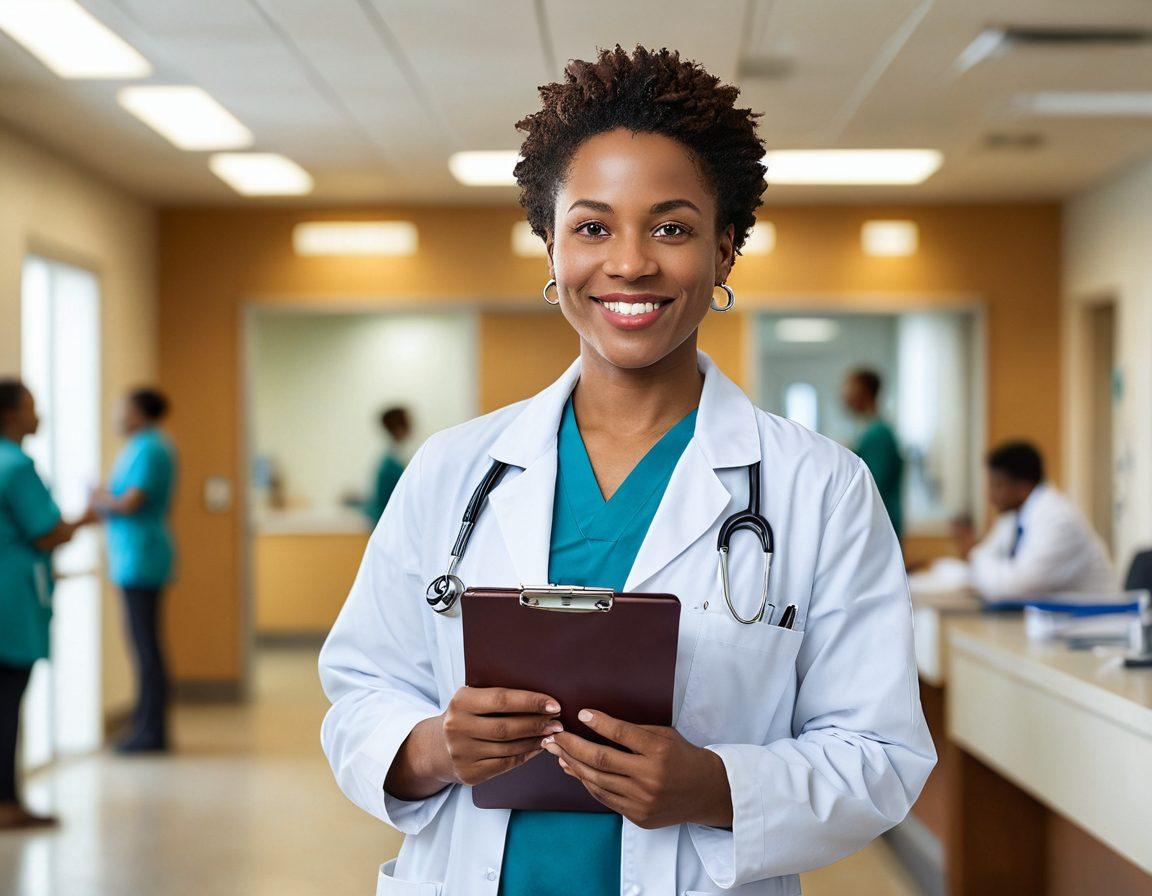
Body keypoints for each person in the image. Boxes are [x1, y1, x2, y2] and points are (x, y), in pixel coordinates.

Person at [319, 45, 935, 896]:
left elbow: (880, 756)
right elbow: (361, 690)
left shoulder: (820, 489)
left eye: (672, 227)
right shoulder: (453, 471)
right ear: (550, 246)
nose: (631, 262)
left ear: (725, 250)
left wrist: (716, 787)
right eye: (593, 225)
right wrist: (429, 748)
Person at [0, 379, 95, 828]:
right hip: (11, 600)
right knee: (7, 701)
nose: (39, 415)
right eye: (31, 407)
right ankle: (7, 803)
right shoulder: (16, 466)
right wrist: (86, 518)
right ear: (10, 414)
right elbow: (46, 531)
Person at [92, 388, 178, 753]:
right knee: (144, 647)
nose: (116, 415)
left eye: (121, 408)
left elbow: (130, 501)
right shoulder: (147, 445)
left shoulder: (150, 447)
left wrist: (97, 498)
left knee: (146, 648)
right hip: (136, 556)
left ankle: (150, 733)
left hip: (141, 557)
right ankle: (146, 729)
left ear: (139, 413)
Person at [954, 441, 1114, 599]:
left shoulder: (1056, 518)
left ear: (1021, 486)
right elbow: (983, 562)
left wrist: (982, 563)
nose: (989, 495)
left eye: (997, 485)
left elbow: (1017, 587)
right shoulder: (1013, 517)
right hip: (1052, 619)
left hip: (1091, 621)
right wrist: (984, 565)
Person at [842, 367, 904, 539]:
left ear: (864, 393)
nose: (844, 396)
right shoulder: (867, 431)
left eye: (849, 389)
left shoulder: (878, 434)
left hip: (877, 527)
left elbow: (872, 484)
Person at [364, 406, 411, 526]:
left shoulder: (394, 458)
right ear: (399, 428)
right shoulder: (389, 465)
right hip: (391, 524)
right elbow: (383, 503)